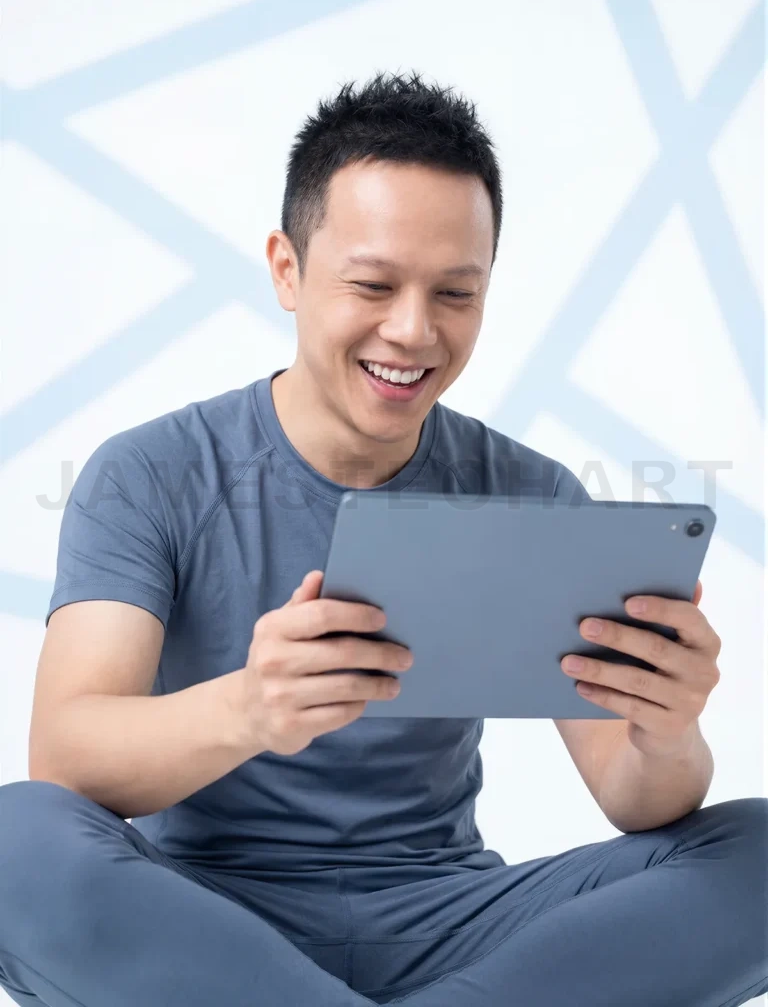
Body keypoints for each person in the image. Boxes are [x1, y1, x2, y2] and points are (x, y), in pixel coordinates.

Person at [0, 70, 765, 1007]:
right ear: (287, 269)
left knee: (755, 850)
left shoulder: (533, 494)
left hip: (458, 921)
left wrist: (669, 728)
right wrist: (249, 707)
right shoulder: (150, 474)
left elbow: (633, 797)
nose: (413, 331)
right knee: (17, 835)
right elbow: (66, 757)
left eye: (455, 293)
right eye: (373, 285)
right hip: (208, 924)